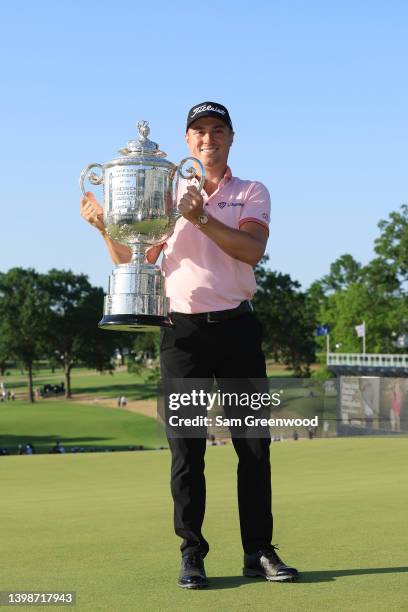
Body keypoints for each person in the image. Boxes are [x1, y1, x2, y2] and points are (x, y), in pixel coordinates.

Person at [80, 101, 298, 588]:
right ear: (186, 141)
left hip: (238, 330)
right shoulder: (166, 193)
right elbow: (136, 257)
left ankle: (259, 551)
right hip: (182, 334)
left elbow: (251, 250)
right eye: (199, 132)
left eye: (217, 131)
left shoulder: (250, 191)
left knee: (254, 447)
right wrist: (102, 228)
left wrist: (200, 220)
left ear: (231, 138)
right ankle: (192, 554)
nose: (208, 139)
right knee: (187, 450)